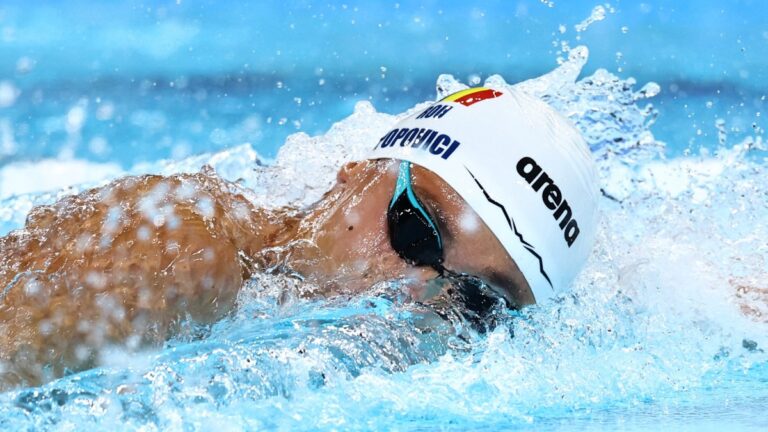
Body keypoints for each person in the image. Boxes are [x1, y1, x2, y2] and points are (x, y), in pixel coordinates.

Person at [0, 87, 599, 389]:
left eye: (476, 303)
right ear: (357, 172)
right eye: (416, 231)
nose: (417, 292)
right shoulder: (183, 249)